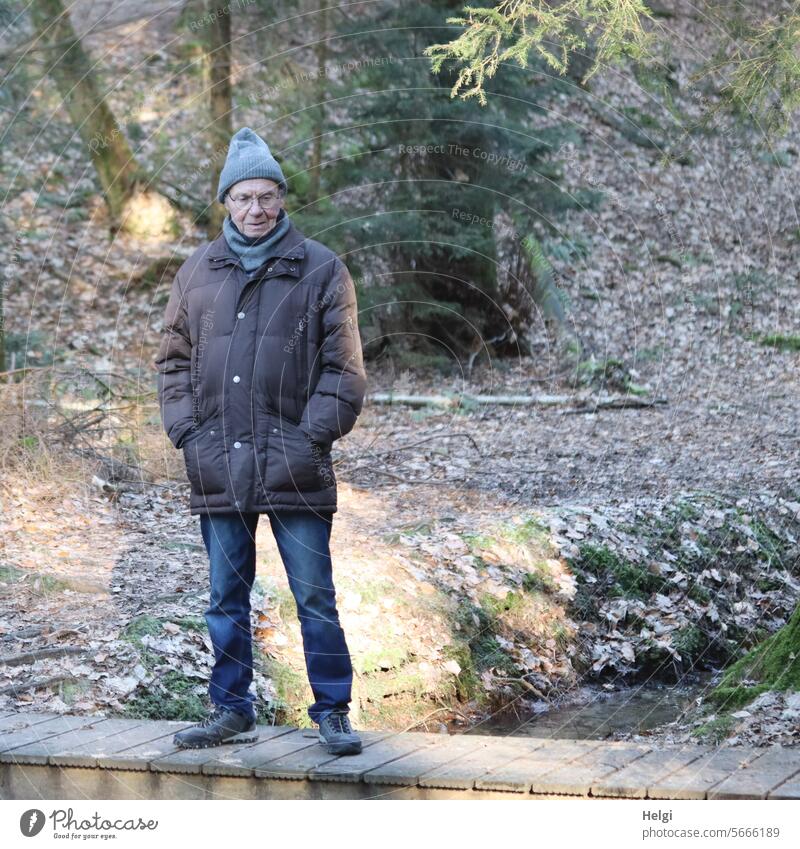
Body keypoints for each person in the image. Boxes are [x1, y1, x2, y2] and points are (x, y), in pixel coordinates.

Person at [154, 127, 367, 755]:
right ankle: (230, 709)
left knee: (315, 596)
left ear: (281, 199)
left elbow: (345, 371)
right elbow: (172, 361)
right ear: (227, 202)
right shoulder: (198, 271)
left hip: (295, 465)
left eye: (266, 196)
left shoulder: (322, 268)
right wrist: (187, 433)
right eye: (244, 197)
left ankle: (333, 711)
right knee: (225, 597)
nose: (255, 209)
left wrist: (310, 439)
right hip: (217, 462)